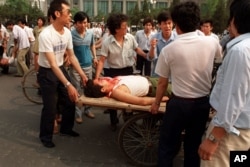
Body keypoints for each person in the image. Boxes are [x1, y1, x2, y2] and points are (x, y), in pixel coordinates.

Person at [150, 1, 222, 167]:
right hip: (202, 104)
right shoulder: (212, 43)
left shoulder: (170, 49)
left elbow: (162, 83)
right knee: (193, 145)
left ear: (176, 24)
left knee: (167, 145)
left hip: (179, 103)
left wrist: (156, 103)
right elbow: (219, 62)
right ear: (198, 22)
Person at [199, 0, 250, 166]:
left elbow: (233, 98)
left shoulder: (240, 51)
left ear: (234, 20)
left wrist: (213, 138)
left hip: (231, 132)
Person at [37, 0, 88, 148]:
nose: (70, 15)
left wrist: (83, 74)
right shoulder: (46, 35)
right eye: (68, 12)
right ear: (58, 14)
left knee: (70, 99)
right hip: (47, 72)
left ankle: (66, 129)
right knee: (50, 106)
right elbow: (52, 64)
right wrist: (68, 84)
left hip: (60, 69)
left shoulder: (67, 32)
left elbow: (71, 56)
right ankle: (45, 136)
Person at [94, 13, 147, 131]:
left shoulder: (130, 38)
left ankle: (128, 119)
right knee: (112, 101)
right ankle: (113, 121)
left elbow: (136, 49)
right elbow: (102, 60)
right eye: (124, 26)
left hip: (127, 71)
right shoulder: (107, 42)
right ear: (117, 29)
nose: (127, 28)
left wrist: (146, 55)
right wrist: (97, 78)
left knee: (128, 97)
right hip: (112, 72)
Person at [69, 11, 97, 124]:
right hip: (76, 67)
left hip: (88, 65)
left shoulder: (90, 33)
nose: (83, 25)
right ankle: (78, 113)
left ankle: (88, 109)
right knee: (77, 90)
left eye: (85, 22)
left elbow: (92, 45)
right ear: (75, 23)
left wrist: (94, 57)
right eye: (80, 22)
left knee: (88, 88)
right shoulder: (71, 34)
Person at [84, 75, 170, 105]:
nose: (101, 78)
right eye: (100, 81)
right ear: (103, 89)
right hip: (156, 87)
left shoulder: (111, 82)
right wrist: (159, 100)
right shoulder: (117, 91)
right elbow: (141, 101)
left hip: (152, 80)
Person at [148, 11, 177, 76]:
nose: (167, 26)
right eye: (164, 23)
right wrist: (152, 47)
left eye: (169, 23)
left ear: (173, 24)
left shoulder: (177, 38)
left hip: (173, 75)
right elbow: (151, 58)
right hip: (158, 74)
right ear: (159, 25)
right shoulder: (155, 37)